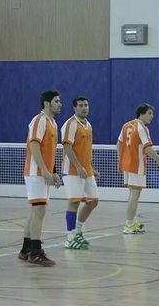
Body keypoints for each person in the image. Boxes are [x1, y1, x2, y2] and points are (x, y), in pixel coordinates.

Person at [18, 90, 62, 266]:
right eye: (56, 101)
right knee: (39, 209)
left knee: (36, 210)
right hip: (35, 172)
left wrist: (53, 171)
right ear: (46, 103)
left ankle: (26, 249)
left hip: (42, 171)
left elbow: (48, 151)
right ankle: (35, 252)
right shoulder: (40, 120)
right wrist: (44, 169)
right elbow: (34, 143)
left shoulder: (53, 123)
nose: (60, 104)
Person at [117, 103, 159, 234]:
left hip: (127, 165)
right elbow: (147, 147)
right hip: (137, 165)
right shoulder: (142, 127)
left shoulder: (126, 125)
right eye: (149, 113)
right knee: (134, 196)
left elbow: (119, 143)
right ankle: (128, 225)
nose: (152, 116)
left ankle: (132, 221)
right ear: (141, 113)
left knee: (132, 195)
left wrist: (121, 160)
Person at [61, 97, 99, 250]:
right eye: (81, 105)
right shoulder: (70, 124)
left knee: (93, 201)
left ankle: (78, 231)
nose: (85, 108)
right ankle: (70, 238)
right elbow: (67, 147)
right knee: (74, 201)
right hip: (72, 170)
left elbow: (86, 150)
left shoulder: (88, 125)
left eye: (87, 105)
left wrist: (90, 166)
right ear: (74, 108)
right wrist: (78, 167)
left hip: (86, 170)